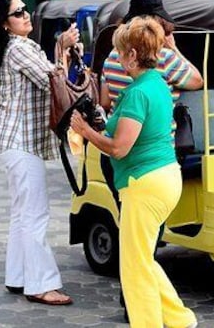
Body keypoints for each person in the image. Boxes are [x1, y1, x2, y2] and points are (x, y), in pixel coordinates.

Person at [71, 17, 198, 328]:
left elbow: (118, 148)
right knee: (142, 259)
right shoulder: (157, 83)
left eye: (119, 53)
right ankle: (181, 320)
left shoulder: (138, 92)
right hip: (163, 178)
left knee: (134, 266)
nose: (116, 58)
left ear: (131, 54)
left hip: (145, 185)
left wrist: (86, 130)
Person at [0, 0, 78, 307]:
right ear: (5, 24)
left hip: (15, 142)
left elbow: (51, 77)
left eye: (25, 9)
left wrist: (62, 52)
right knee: (34, 213)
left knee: (22, 213)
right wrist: (62, 47)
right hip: (20, 143)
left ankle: (18, 277)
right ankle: (40, 284)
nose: (25, 15)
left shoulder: (18, 47)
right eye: (18, 13)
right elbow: (55, 82)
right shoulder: (19, 49)